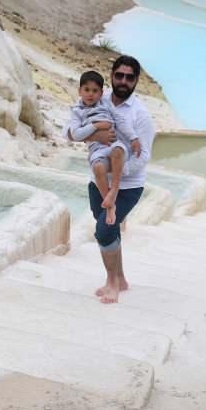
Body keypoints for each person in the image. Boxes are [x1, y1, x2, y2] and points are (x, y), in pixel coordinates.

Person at [64, 55, 155, 305]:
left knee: (104, 231)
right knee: (110, 227)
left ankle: (112, 283)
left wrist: (116, 171)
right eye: (119, 75)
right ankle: (121, 278)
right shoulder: (95, 98)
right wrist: (96, 134)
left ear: (136, 80)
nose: (123, 81)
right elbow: (70, 132)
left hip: (128, 185)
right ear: (112, 76)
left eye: (129, 77)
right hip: (98, 179)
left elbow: (143, 156)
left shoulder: (141, 115)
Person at [65, 70, 142, 225]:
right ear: (80, 91)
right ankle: (110, 206)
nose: (90, 94)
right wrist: (96, 126)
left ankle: (113, 191)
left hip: (113, 144)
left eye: (95, 91)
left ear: (101, 93)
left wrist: (133, 137)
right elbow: (75, 134)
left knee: (119, 151)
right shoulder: (77, 112)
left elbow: (119, 120)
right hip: (96, 150)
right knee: (98, 168)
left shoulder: (106, 104)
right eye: (86, 90)